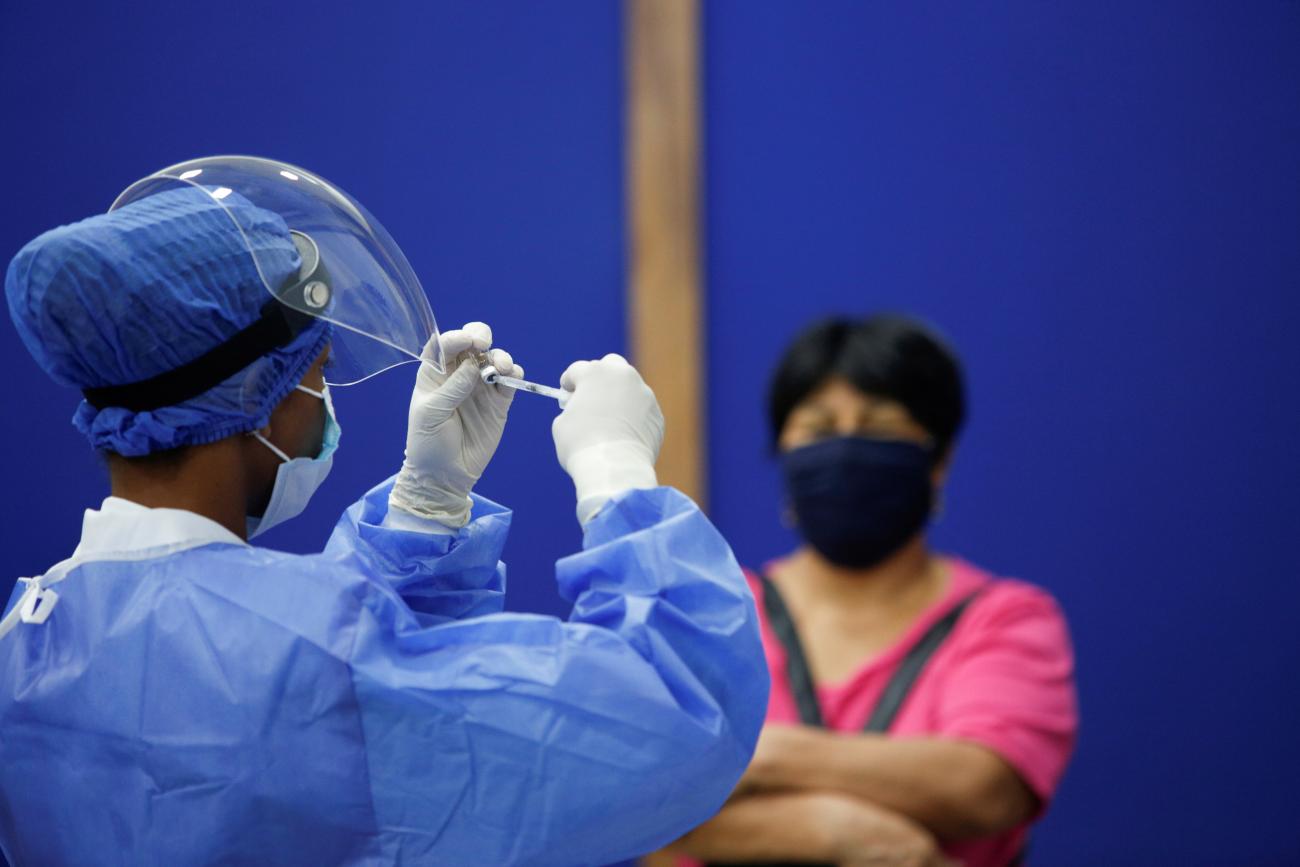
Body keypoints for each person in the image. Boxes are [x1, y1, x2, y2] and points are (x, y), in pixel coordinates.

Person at [0, 158, 768, 866]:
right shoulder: (316, 663)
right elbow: (682, 709)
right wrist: (615, 469)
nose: (323, 403)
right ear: (255, 401)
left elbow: (298, 685)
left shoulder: (24, 642)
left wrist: (425, 507)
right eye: (319, 372)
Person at [657, 316, 1077, 867]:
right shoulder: (707, 613)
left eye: (881, 427)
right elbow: (646, 810)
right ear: (783, 454)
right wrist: (841, 833)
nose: (848, 448)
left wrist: (761, 759)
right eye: (819, 429)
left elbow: (983, 787)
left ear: (939, 460)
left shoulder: (1005, 619)